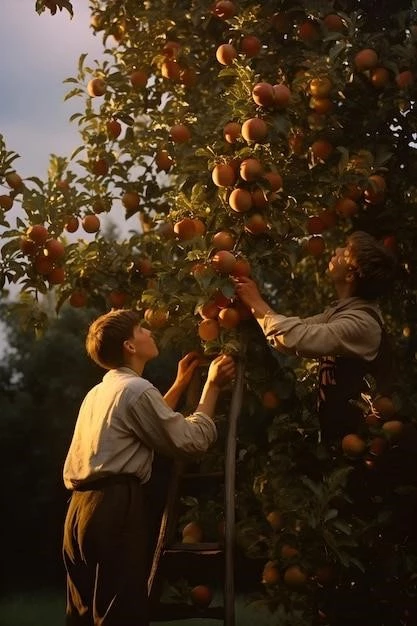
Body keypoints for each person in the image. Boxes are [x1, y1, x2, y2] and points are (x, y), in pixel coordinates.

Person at [62, 308, 235, 626]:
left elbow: (143, 422)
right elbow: (190, 441)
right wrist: (211, 387)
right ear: (130, 345)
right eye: (141, 328)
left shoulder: (99, 393)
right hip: (115, 506)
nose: (149, 332)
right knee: (121, 613)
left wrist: (180, 384)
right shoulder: (135, 390)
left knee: (83, 616)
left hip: (78, 513)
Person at [234, 230, 397, 441]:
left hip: (362, 450)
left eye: (345, 251)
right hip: (341, 443)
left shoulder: (362, 324)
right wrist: (253, 303)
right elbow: (293, 330)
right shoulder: (340, 313)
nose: (337, 250)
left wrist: (256, 302)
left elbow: (295, 337)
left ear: (350, 274)